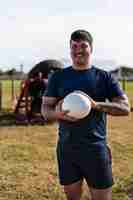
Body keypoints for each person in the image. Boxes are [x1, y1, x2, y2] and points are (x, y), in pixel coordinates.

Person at [41, 30, 130, 200]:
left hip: (96, 149)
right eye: (74, 46)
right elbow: (45, 109)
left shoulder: (104, 77)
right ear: (70, 49)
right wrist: (57, 114)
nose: (78, 50)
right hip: (67, 149)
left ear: (91, 48)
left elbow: (125, 108)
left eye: (83, 45)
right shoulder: (58, 77)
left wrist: (95, 105)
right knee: (72, 197)